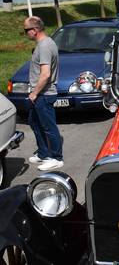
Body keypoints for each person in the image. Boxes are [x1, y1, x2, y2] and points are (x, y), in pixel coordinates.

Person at [23, 16, 64, 171]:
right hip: (39, 94)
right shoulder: (43, 44)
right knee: (34, 123)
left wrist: (34, 93)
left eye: (26, 30)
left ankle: (56, 158)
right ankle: (43, 153)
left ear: (35, 30)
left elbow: (45, 74)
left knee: (48, 126)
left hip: (44, 94)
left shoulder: (45, 46)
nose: (25, 33)